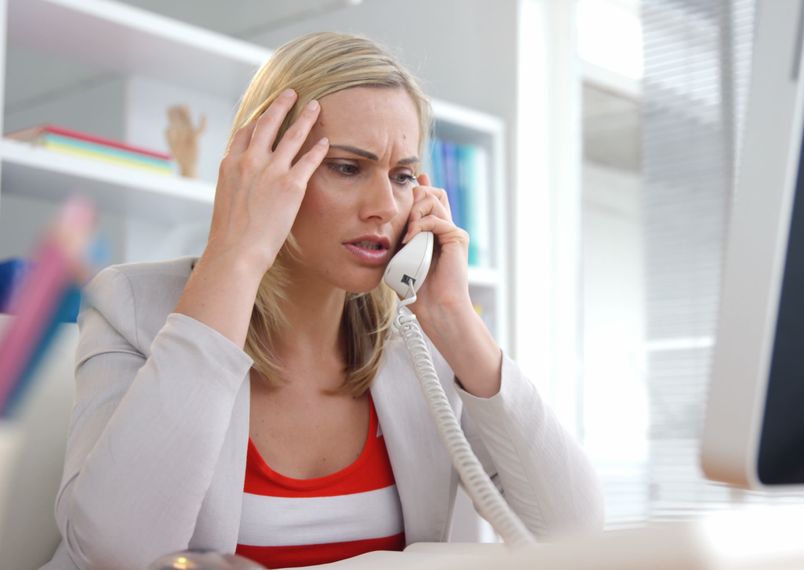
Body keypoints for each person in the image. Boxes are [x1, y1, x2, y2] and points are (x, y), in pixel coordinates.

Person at [44, 32, 603, 570]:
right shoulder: (131, 305)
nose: (385, 204)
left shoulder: (420, 344)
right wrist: (237, 256)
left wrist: (455, 320)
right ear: (261, 169)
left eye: (403, 175)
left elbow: (574, 535)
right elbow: (117, 554)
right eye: (347, 167)